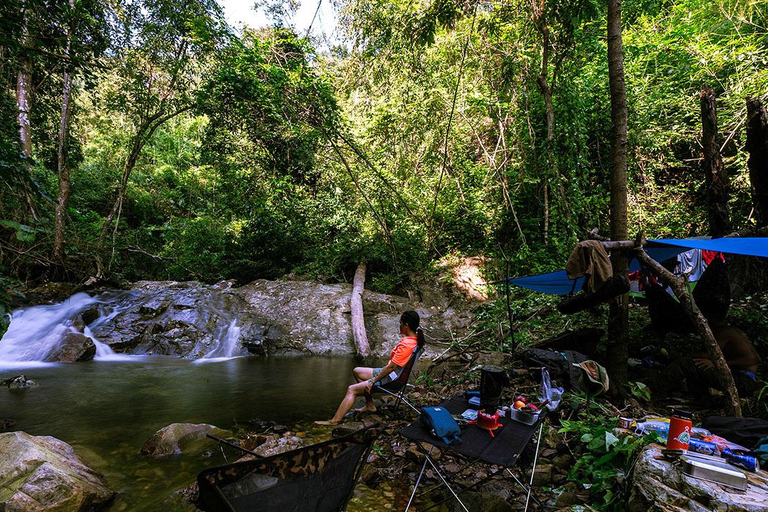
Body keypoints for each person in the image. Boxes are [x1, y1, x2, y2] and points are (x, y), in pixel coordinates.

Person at [315, 310, 425, 425]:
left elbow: (391, 367)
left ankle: (334, 421)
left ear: (406, 325)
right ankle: (370, 405)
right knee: (357, 371)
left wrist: (372, 382)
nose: (399, 325)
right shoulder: (416, 340)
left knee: (351, 389)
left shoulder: (406, 345)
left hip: (392, 379)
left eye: (401, 323)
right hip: (395, 375)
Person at [663, 323, 761, 398]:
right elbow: (708, 355)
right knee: (698, 364)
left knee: (686, 364)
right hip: (739, 378)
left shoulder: (725, 333)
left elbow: (754, 359)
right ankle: (701, 399)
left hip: (743, 382)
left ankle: (654, 388)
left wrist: (719, 364)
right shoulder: (723, 333)